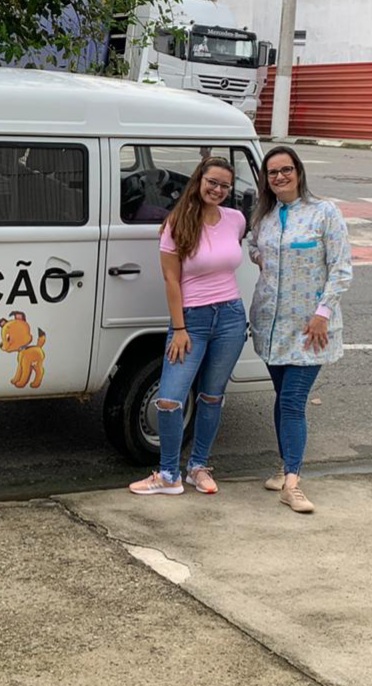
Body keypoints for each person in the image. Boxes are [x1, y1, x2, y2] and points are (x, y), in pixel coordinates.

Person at [129, 156, 249, 496]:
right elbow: (171, 280)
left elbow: (229, 260)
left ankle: (198, 467)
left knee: (212, 396)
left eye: (225, 185)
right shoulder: (177, 223)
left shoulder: (236, 219)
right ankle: (169, 474)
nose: (218, 190)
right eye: (212, 182)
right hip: (191, 320)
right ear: (198, 180)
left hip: (231, 316)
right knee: (169, 398)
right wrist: (179, 329)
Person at [248, 146, 352, 513]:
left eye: (286, 169)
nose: (280, 177)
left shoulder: (324, 213)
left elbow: (341, 268)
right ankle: (285, 466)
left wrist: (322, 312)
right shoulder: (264, 217)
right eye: (272, 172)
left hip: (311, 328)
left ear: (298, 172)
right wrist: (263, 261)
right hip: (271, 324)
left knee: (293, 400)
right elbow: (254, 248)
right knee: (282, 397)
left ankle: (292, 483)